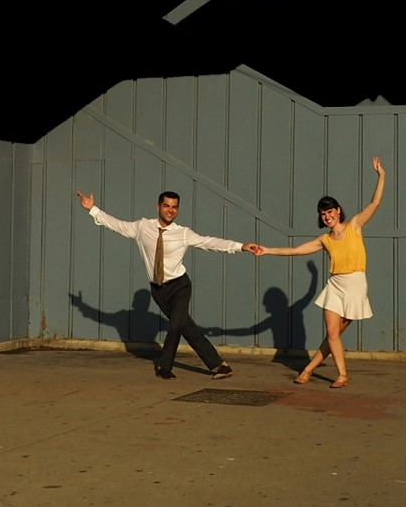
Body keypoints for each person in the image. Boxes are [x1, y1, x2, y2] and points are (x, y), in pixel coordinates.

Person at [77, 189, 260, 380]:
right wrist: (92, 209)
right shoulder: (142, 227)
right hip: (158, 290)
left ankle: (164, 367)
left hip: (180, 287)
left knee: (174, 326)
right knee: (187, 328)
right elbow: (116, 225)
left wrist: (241, 246)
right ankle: (221, 366)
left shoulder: (183, 233)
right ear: (158, 207)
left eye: (174, 207)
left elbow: (210, 242)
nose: (170, 210)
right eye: (166, 206)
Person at [255, 156, 385, 388]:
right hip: (335, 285)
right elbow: (295, 251)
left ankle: (308, 369)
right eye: (323, 214)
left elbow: (374, 203)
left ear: (338, 211)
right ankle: (342, 375)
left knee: (333, 336)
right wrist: (267, 250)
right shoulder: (324, 239)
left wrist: (381, 175)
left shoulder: (355, 226)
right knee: (332, 332)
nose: (327, 216)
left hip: (355, 285)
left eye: (330, 211)